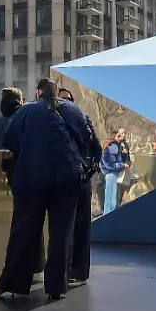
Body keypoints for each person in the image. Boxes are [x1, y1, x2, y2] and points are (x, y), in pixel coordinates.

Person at [0, 78, 94, 301]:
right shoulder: (72, 109)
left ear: (38, 92)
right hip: (68, 178)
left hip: (34, 177)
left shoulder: (27, 111)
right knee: (62, 233)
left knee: (24, 229)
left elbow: (10, 138)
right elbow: (87, 138)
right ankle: (57, 286)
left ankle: (12, 283)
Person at [57, 87, 102, 288]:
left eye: (67, 99)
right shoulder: (67, 122)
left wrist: (88, 171)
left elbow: (96, 149)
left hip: (79, 181)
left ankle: (78, 271)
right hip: (71, 179)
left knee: (79, 227)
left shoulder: (79, 121)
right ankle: (69, 270)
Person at [99, 128, 127, 215]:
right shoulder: (113, 146)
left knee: (110, 196)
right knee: (111, 198)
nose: (121, 137)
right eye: (119, 135)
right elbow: (109, 163)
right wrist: (122, 165)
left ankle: (108, 215)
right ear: (114, 137)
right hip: (111, 173)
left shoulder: (110, 146)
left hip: (110, 173)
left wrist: (122, 153)